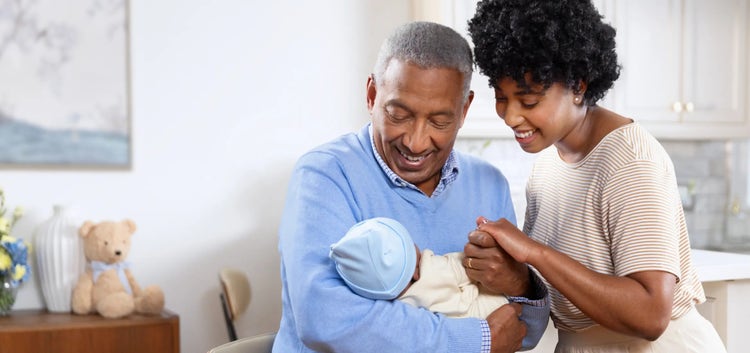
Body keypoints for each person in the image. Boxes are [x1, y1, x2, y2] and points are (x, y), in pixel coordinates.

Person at [463, 1, 726, 352]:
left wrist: (533, 253)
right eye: (500, 97)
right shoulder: (547, 166)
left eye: (527, 101)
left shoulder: (629, 161)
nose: (510, 116)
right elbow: (560, 285)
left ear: (578, 85)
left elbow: (650, 314)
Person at [274, 21, 549, 353]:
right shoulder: (325, 174)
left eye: (439, 121)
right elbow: (325, 319)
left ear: (464, 111)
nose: (416, 142)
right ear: (372, 95)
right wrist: (477, 340)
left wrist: (520, 282)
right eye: (399, 115)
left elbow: (522, 333)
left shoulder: (489, 184)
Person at [329, 217, 510, 318]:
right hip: (484, 310)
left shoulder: (402, 307)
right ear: (415, 270)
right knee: (503, 303)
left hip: (461, 323)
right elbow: (469, 268)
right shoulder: (432, 267)